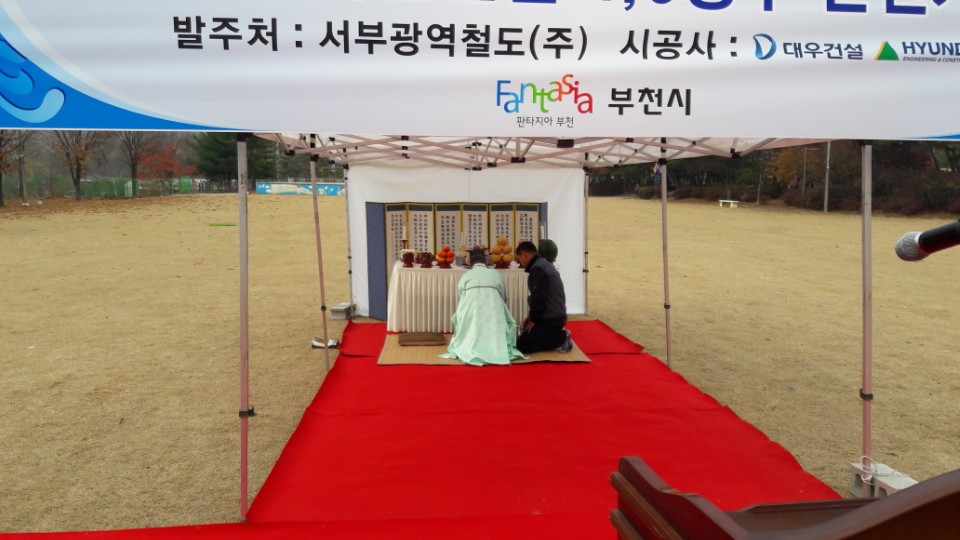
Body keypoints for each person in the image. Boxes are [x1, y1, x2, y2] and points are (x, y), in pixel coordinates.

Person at [440, 252, 525, 366]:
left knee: (465, 316)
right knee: (497, 314)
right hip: (493, 308)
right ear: (485, 262)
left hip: (471, 308)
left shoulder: (466, 275)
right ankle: (496, 348)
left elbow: (462, 295)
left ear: (470, 264)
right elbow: (503, 296)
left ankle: (470, 347)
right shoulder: (495, 274)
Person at [514, 241, 573, 354]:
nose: (520, 261)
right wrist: (531, 317)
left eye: (519, 258)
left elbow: (539, 297)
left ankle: (562, 338)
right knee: (525, 336)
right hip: (554, 314)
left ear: (524, 255)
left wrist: (533, 320)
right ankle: (554, 334)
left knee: (523, 345)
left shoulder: (538, 269)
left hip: (552, 318)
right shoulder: (543, 264)